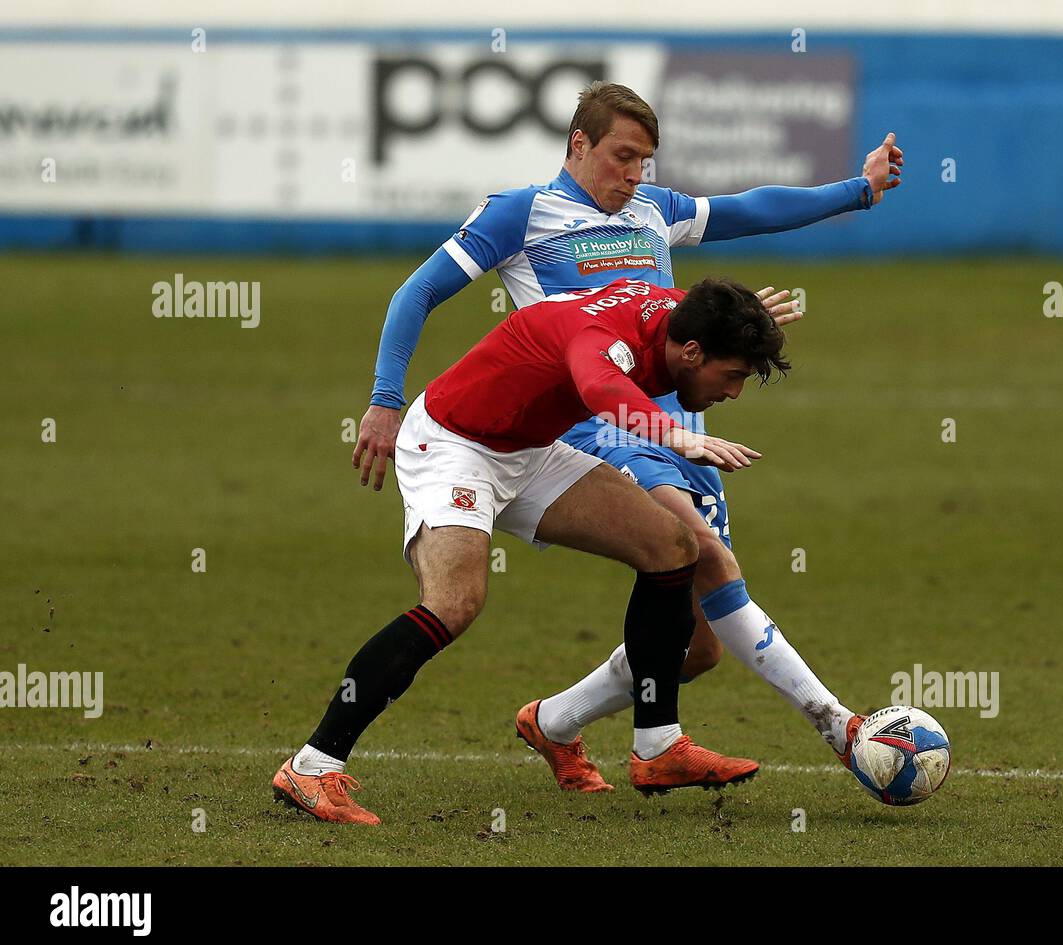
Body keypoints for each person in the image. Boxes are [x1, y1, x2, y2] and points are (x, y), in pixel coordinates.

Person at [351, 82, 903, 793]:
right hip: (598, 429)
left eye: (645, 160)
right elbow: (415, 293)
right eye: (622, 157)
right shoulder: (521, 213)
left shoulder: (652, 209)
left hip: (680, 433)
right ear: (577, 144)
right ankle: (838, 729)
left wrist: (857, 190)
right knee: (702, 560)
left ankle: (553, 722)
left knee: (699, 645)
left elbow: (752, 208)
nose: (635, 174)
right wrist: (385, 400)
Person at [274, 277, 788, 823]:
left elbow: (685, 314)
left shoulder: (674, 315)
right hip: (455, 445)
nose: (732, 392)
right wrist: (677, 436)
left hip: (530, 449)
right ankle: (311, 765)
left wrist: (746, 318)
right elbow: (598, 388)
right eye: (732, 376)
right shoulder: (605, 339)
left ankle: (658, 745)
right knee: (454, 603)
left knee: (673, 546)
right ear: (691, 351)